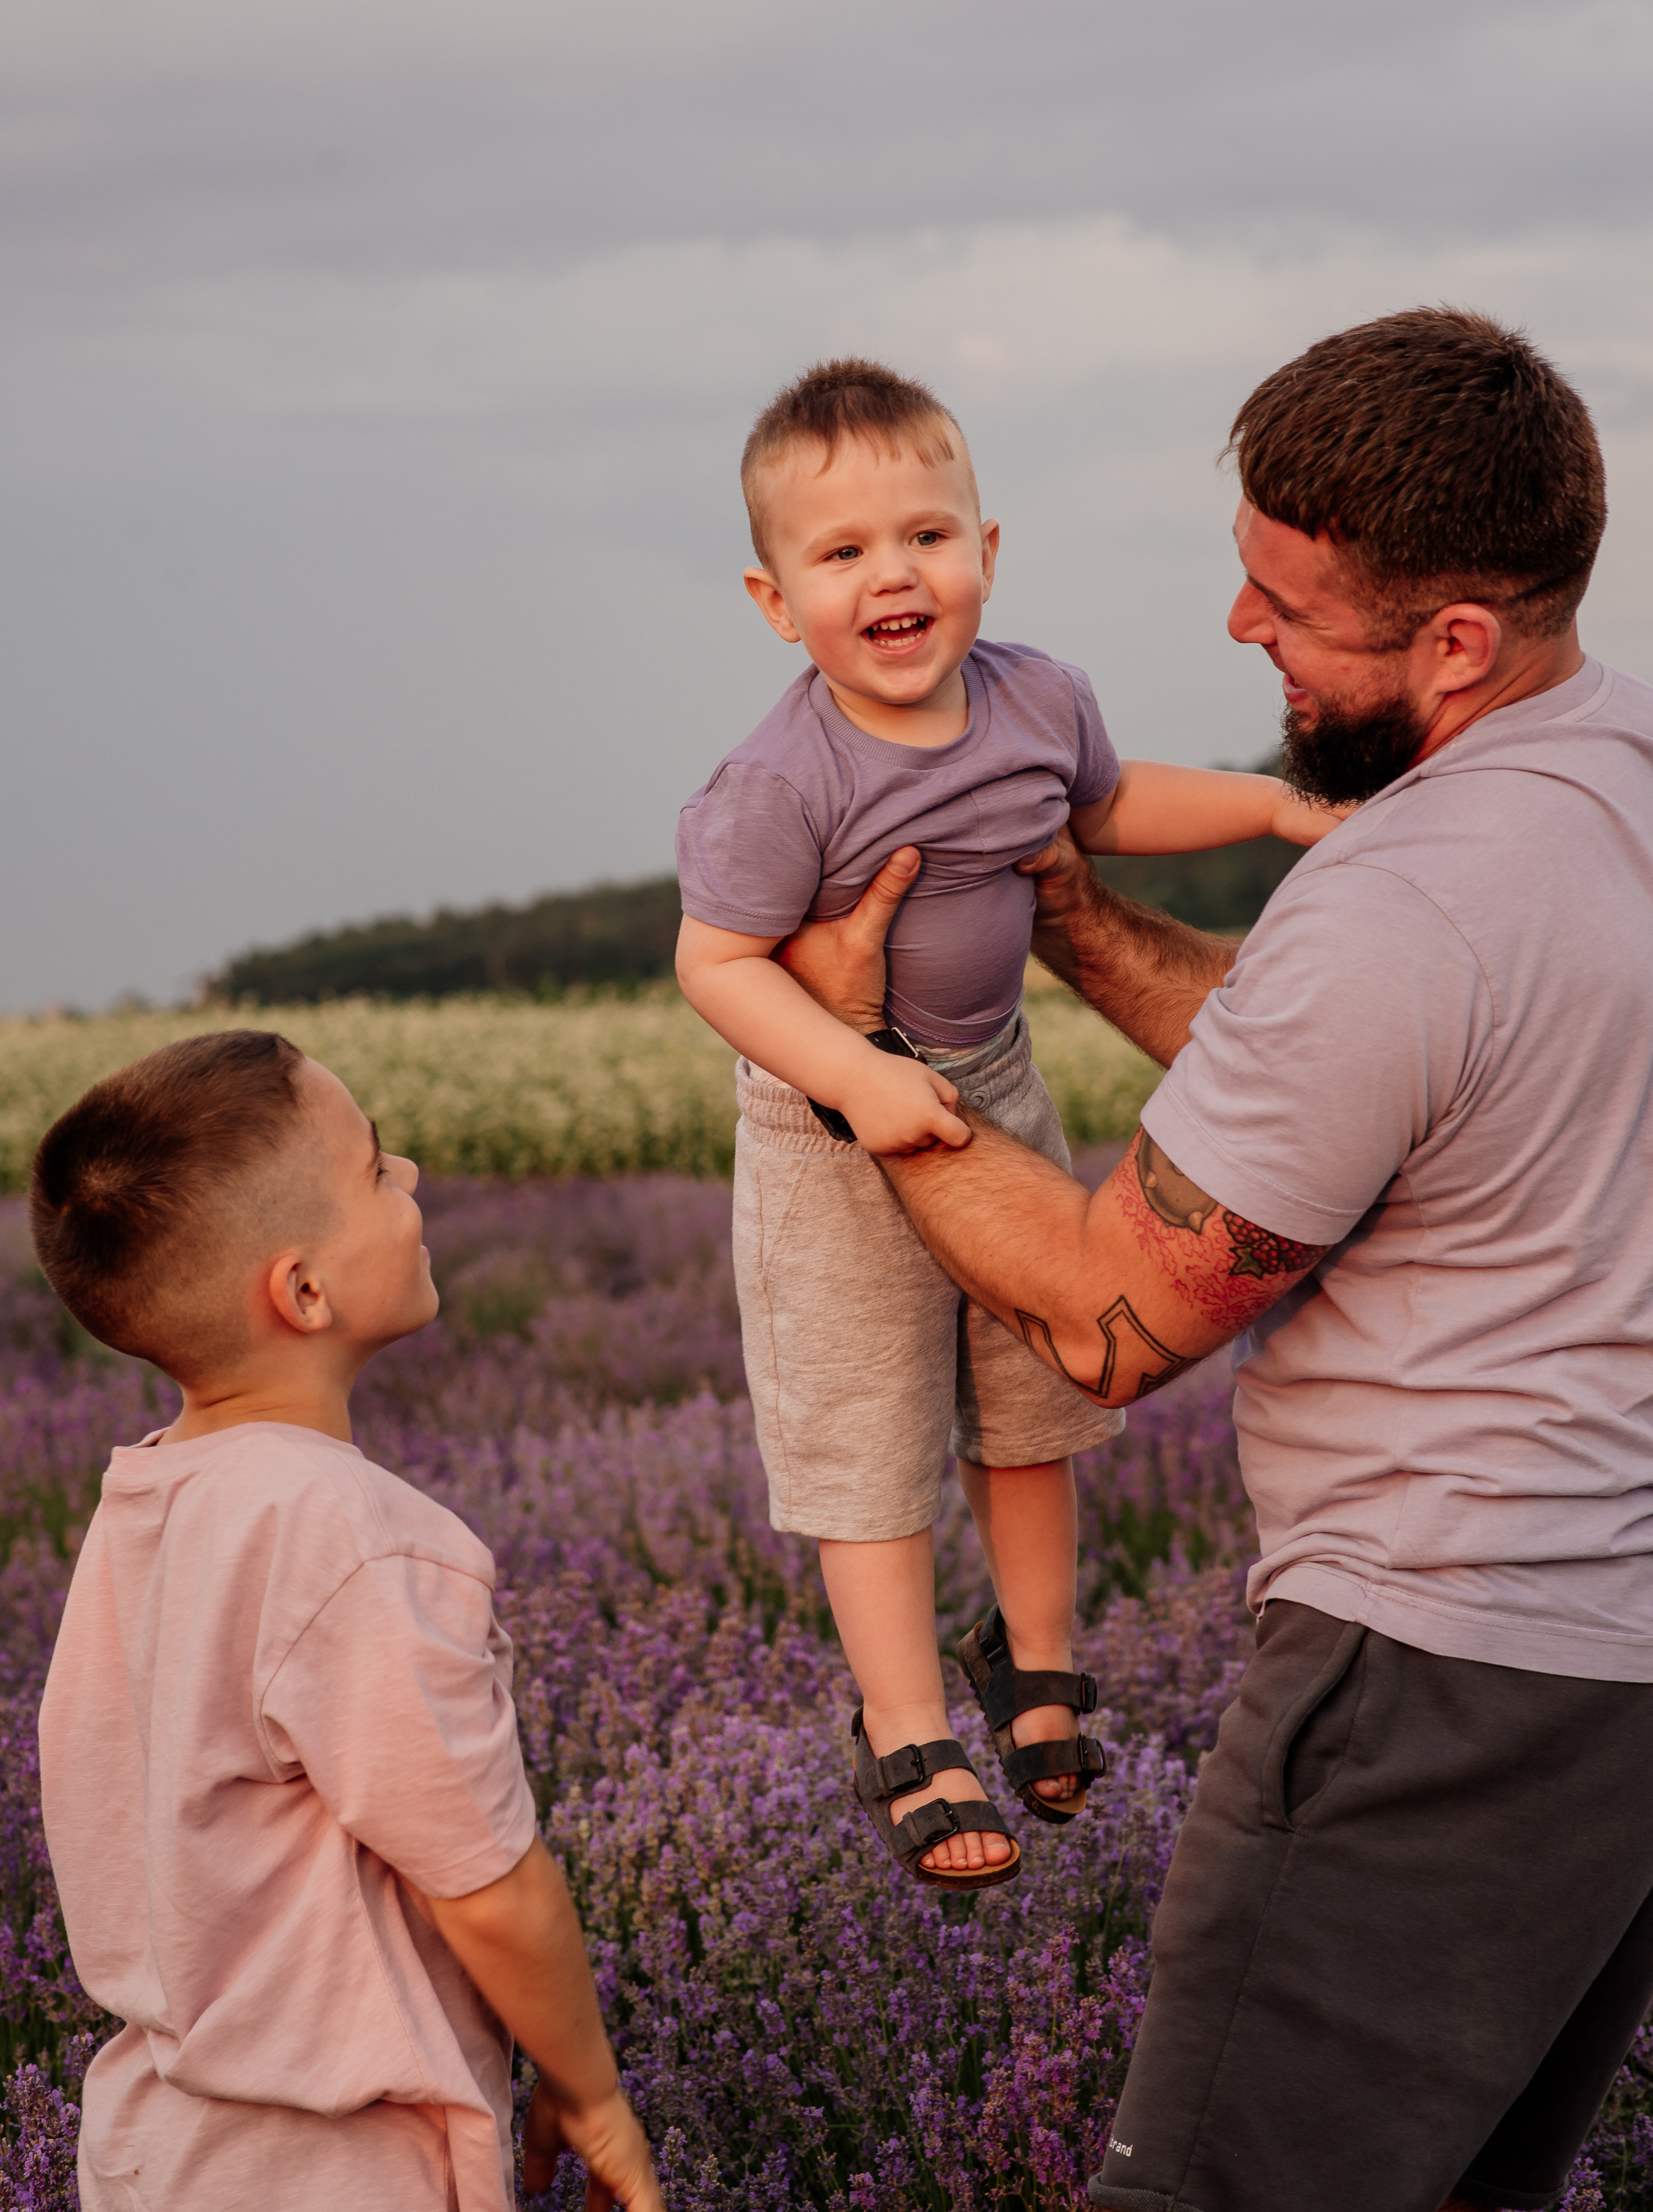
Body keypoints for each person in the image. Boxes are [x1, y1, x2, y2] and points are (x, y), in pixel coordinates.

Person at [779, 307, 1653, 2212]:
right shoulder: (1614, 782)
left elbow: (1107, 1315)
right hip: (1616, 1674)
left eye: (1286, 601)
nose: (1243, 629)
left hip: (1432, 1667)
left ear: (1453, 643)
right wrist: (1077, 922)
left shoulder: (1404, 897)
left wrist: (861, 1070)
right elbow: (1356, 1076)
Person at [674, 357, 1341, 1889]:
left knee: (1037, 1379)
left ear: (988, 551)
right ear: (778, 603)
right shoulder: (780, 778)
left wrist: (1268, 805)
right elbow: (715, 963)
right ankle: (904, 1719)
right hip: (825, 1116)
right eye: (840, 554)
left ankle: (1033, 1656)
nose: (890, 574)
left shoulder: (1037, 697)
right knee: (870, 1424)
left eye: (924, 534)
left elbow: (1104, 809)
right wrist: (850, 1074)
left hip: (987, 1079)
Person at [31, 1031, 662, 2212]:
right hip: (333, 2162)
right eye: (376, 1168)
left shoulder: (144, 1503)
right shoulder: (353, 1537)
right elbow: (487, 1885)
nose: (414, 1175)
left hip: (153, 2142)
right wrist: (591, 2094)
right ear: (304, 1290)